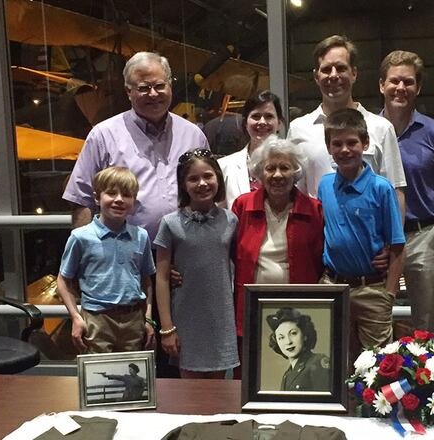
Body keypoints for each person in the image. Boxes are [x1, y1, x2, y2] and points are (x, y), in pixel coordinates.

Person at [63, 51, 209, 241]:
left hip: (184, 253)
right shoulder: (103, 135)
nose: (153, 94)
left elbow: (208, 194)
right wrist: (86, 253)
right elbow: (82, 200)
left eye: (159, 85)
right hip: (124, 255)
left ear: (170, 86)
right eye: (144, 88)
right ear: (128, 92)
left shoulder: (193, 135)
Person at [287, 35, 407, 215]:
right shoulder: (298, 129)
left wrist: (395, 242)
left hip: (368, 238)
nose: (333, 75)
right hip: (317, 238)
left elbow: (395, 193)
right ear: (316, 76)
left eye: (341, 68)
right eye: (326, 69)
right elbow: (294, 194)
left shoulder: (381, 128)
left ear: (354, 73)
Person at [231, 136, 324, 368]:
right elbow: (227, 253)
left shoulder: (314, 210)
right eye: (270, 168)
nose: (278, 175)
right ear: (260, 172)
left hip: (299, 310)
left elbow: (321, 258)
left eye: (285, 167)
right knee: (252, 370)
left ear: (296, 172)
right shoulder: (242, 206)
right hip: (251, 307)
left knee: (296, 369)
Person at [317, 108, 405, 352]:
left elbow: (397, 245)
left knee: (375, 366)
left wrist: (389, 294)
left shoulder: (381, 188)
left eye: (352, 142)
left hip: (372, 291)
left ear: (365, 143)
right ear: (328, 147)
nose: (345, 150)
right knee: (332, 358)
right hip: (333, 287)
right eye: (337, 143)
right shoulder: (324, 185)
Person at [378, 50, 434, 333]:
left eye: (408, 82)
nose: (401, 88)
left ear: (418, 87)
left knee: (428, 320)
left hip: (422, 236)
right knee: (377, 315)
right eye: (394, 81)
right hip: (380, 240)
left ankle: (428, 376)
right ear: (381, 85)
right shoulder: (369, 131)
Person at [153, 149, 239, 379]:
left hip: (220, 316)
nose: (202, 183)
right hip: (185, 318)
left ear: (218, 179)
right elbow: (161, 277)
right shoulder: (170, 223)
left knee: (219, 389)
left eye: (208, 176)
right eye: (193, 178)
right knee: (190, 391)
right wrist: (167, 328)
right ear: (183, 185)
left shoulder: (231, 221)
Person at [56, 167, 156, 354]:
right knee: (99, 377)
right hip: (96, 319)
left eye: (126, 195)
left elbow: (146, 281)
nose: (119, 199)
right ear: (97, 198)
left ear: (133, 201)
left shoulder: (141, 236)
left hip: (134, 318)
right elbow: (63, 280)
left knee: (135, 377)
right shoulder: (81, 237)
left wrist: (148, 318)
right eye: (111, 193)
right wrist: (76, 317)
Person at [219, 91, 284, 207]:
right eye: (256, 116)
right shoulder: (224, 167)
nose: (262, 122)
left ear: (279, 122)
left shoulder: (293, 166)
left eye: (269, 116)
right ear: (245, 122)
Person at [266, 308, 331, 392]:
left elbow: (326, 402)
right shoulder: (287, 375)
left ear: (304, 335)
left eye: (293, 333)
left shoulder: (318, 362)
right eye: (281, 337)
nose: (288, 342)